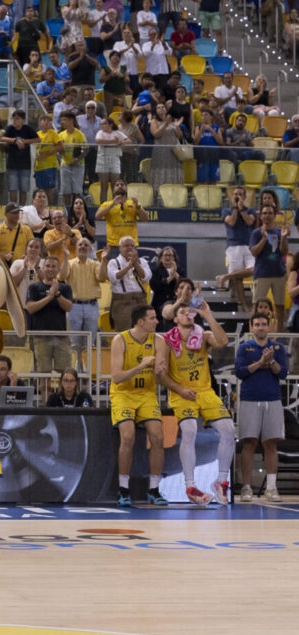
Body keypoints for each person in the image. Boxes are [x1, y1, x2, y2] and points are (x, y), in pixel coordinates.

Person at [156, 300, 234, 506]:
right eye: (182, 313)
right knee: (189, 430)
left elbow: (224, 341)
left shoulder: (203, 336)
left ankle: (221, 481)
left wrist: (208, 315)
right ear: (175, 319)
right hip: (181, 392)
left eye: (190, 313)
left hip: (205, 391)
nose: (187, 315)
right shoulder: (167, 341)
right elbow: (161, 376)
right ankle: (190, 486)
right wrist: (181, 389)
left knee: (228, 430)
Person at [108, 305, 167, 506]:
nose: (157, 321)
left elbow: (159, 378)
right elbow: (116, 377)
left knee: (158, 437)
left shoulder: (159, 341)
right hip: (123, 392)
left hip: (146, 394)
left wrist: (159, 371)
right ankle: (123, 489)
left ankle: (154, 489)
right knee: (127, 436)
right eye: (152, 318)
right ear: (140, 322)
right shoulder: (120, 340)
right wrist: (141, 366)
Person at [235, 312, 286, 502]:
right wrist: (260, 363)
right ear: (251, 327)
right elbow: (240, 372)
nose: (261, 327)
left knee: (271, 444)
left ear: (270, 326)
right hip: (249, 399)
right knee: (248, 444)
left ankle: (271, 488)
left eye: (264, 324)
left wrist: (271, 361)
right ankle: (246, 488)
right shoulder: (244, 348)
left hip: (272, 399)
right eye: (257, 324)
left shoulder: (278, 348)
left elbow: (282, 373)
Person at [25, 256, 72, 373]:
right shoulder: (34, 287)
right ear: (43, 268)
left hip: (61, 336)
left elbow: (69, 307)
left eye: (53, 266)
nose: (50, 269)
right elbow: (31, 308)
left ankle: (61, 392)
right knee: (43, 373)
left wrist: (57, 294)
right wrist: (49, 296)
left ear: (58, 269)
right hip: (41, 336)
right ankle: (45, 392)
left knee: (65, 373)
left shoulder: (65, 288)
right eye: (47, 266)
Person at [250, 204, 289, 330]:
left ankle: (280, 334)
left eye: (270, 213)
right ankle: (253, 331)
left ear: (274, 215)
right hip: (262, 274)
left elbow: (283, 252)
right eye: (265, 213)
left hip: (279, 273)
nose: (267, 216)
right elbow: (254, 252)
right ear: (261, 216)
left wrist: (283, 238)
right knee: (256, 306)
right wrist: (264, 239)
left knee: (280, 306)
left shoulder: (280, 232)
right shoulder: (256, 233)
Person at [96, 181, 146, 256]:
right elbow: (97, 216)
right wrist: (112, 204)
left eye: (122, 184)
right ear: (113, 190)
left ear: (126, 189)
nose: (120, 186)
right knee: (114, 267)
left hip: (131, 245)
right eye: (117, 185)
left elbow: (145, 219)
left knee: (131, 267)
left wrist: (138, 207)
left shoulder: (133, 203)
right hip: (113, 245)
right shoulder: (106, 204)